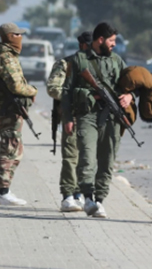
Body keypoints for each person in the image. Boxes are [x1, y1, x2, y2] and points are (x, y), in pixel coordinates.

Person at [61, 22, 131, 219]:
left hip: (111, 116)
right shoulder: (79, 60)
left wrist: (129, 97)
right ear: (100, 40)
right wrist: (67, 118)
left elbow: (131, 84)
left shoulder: (117, 61)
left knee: (107, 160)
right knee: (87, 158)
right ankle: (88, 198)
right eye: (111, 40)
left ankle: (100, 200)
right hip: (87, 115)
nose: (114, 44)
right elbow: (66, 92)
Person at [0, 22, 38, 206]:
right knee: (9, 147)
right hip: (8, 109)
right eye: (18, 35)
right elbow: (16, 86)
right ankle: (3, 192)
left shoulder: (4, 55)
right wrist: (32, 90)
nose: (21, 38)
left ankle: (5, 190)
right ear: (11, 37)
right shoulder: (6, 58)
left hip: (8, 108)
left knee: (14, 147)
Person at [47, 30, 91, 212]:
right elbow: (52, 88)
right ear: (82, 46)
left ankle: (79, 193)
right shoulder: (66, 64)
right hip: (71, 116)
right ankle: (67, 196)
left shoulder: (96, 65)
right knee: (70, 157)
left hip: (90, 119)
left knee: (87, 158)